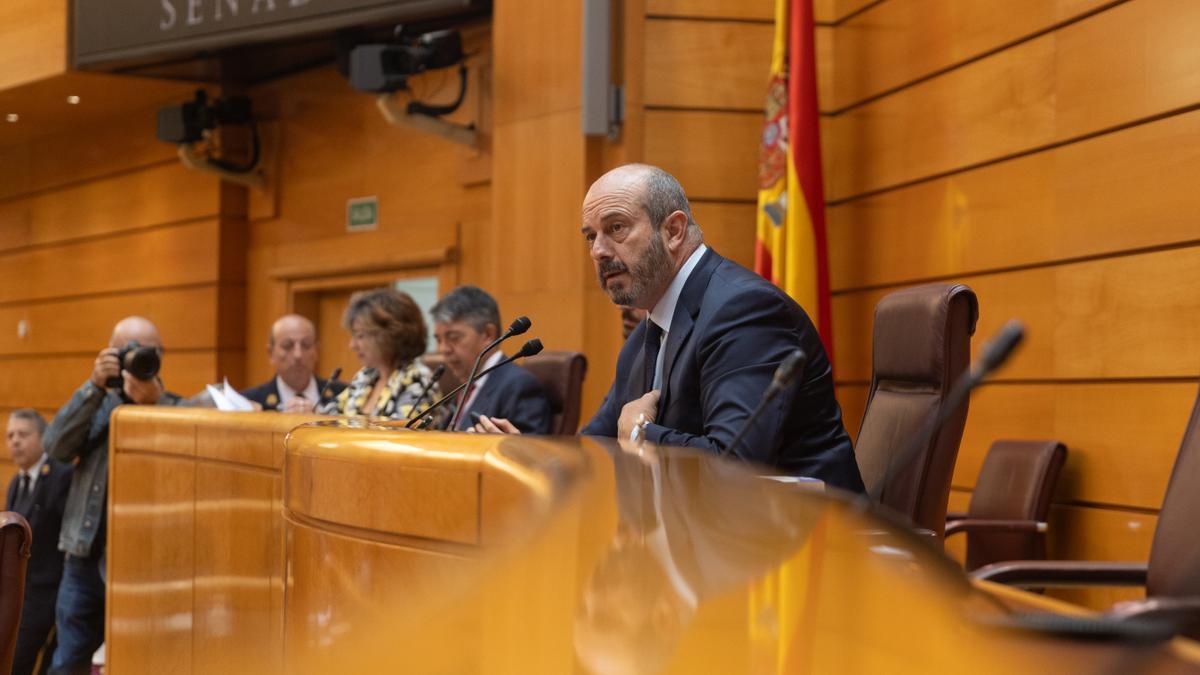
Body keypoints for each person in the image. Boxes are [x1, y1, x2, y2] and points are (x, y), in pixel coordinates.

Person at [474, 164, 864, 492]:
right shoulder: (648, 333)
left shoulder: (743, 311)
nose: (599, 251)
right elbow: (597, 444)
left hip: (810, 549)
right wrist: (530, 457)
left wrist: (640, 433)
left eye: (617, 228)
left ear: (674, 231)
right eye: (591, 236)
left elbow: (735, 464)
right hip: (712, 548)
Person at [42, 316, 183, 674]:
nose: (138, 359)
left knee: (142, 662)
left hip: (147, 565)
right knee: (69, 660)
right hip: (84, 556)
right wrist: (93, 387)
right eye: (128, 351)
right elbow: (55, 447)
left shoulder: (178, 410)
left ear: (162, 356)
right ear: (110, 354)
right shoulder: (97, 404)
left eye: (148, 352)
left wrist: (155, 406)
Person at [430, 286, 554, 433]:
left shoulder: (519, 386)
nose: (443, 349)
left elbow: (531, 452)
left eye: (453, 338)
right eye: (439, 340)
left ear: (488, 334)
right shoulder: (466, 385)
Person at [6, 409, 72, 675]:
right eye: (10, 435)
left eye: (23, 434)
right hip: (22, 592)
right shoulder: (15, 483)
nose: (15, 441)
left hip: (53, 593)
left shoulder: (62, 475)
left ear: (43, 438)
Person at [317, 287, 444, 425]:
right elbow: (327, 420)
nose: (352, 345)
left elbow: (401, 436)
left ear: (389, 335)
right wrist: (310, 413)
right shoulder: (365, 376)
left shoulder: (418, 379)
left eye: (360, 336)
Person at [242, 314, 345, 412]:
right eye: (287, 346)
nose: (298, 355)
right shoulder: (248, 402)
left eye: (306, 345)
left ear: (317, 351)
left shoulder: (344, 395)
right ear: (271, 353)